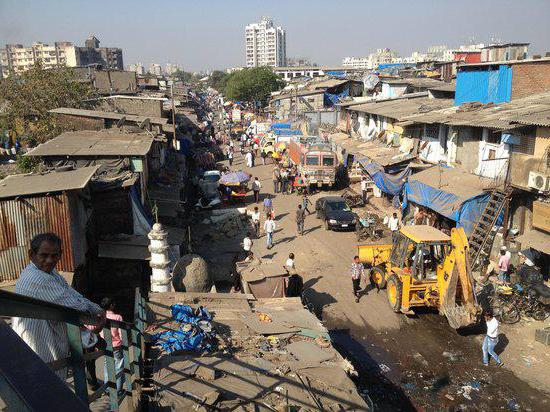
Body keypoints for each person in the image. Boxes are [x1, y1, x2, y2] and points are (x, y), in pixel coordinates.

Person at [12, 233, 104, 379]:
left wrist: (97, 309)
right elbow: (74, 305)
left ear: (60, 254)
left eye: (54, 255)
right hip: (38, 350)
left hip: (48, 348)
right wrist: (97, 313)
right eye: (44, 255)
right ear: (32, 255)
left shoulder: (51, 273)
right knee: (47, 391)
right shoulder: (36, 277)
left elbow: (71, 293)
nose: (49, 260)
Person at [100, 297, 125, 394]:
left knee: (107, 365)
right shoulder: (118, 317)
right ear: (111, 305)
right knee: (118, 366)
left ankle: (107, 389)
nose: (114, 305)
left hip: (105, 344)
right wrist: (123, 343)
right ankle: (118, 390)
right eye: (113, 303)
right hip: (116, 345)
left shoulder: (101, 317)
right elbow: (122, 334)